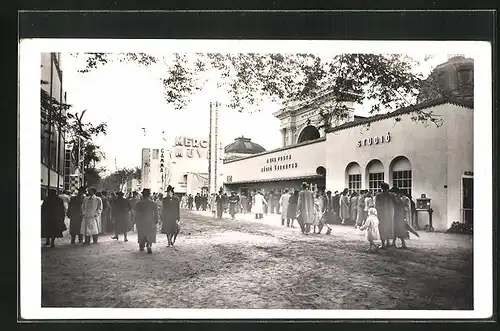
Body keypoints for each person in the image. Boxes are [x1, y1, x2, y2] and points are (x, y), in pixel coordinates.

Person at [135, 189, 158, 254]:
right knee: (150, 233)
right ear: (149, 195)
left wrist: (135, 220)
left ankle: (141, 245)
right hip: (150, 220)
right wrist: (156, 220)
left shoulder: (138, 203)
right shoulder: (153, 203)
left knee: (141, 233)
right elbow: (156, 213)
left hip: (141, 221)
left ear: (143, 195)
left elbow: (136, 213)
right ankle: (149, 245)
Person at [375, 183, 396, 249]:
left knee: (382, 228)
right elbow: (396, 203)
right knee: (389, 227)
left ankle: (383, 244)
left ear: (381, 188)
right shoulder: (392, 195)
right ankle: (388, 242)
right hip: (390, 213)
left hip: (381, 214)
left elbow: (376, 205)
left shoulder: (378, 195)